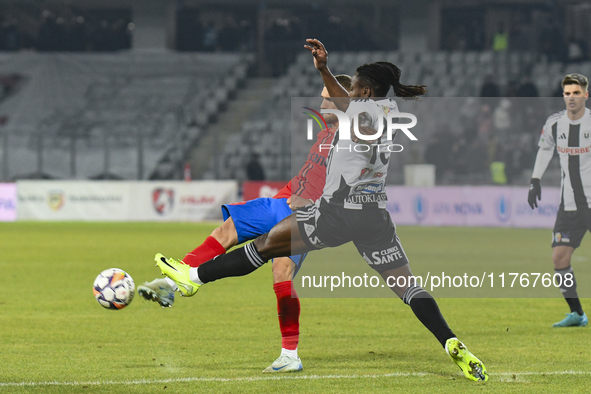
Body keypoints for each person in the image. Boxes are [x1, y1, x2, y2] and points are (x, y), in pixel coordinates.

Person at [153, 39, 488, 382]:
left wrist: (324, 69)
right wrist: (328, 75)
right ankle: (450, 341)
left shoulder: (363, 111)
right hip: (375, 218)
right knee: (408, 287)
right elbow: (345, 106)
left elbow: (344, 104)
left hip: (337, 214)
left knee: (264, 246)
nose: (349, 90)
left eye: (354, 86)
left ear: (366, 91)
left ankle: (192, 278)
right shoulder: (388, 112)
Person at [139, 74, 353, 374]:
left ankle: (290, 355)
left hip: (307, 215)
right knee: (226, 230)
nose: (321, 103)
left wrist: (324, 69)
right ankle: (173, 285)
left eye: (327, 98)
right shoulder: (325, 132)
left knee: (282, 270)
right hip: (283, 201)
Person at [528, 73, 590, 328]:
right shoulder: (554, 123)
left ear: (586, 94)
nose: (571, 98)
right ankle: (577, 313)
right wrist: (535, 180)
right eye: (567, 93)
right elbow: (545, 149)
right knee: (559, 259)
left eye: (576, 93)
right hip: (569, 206)